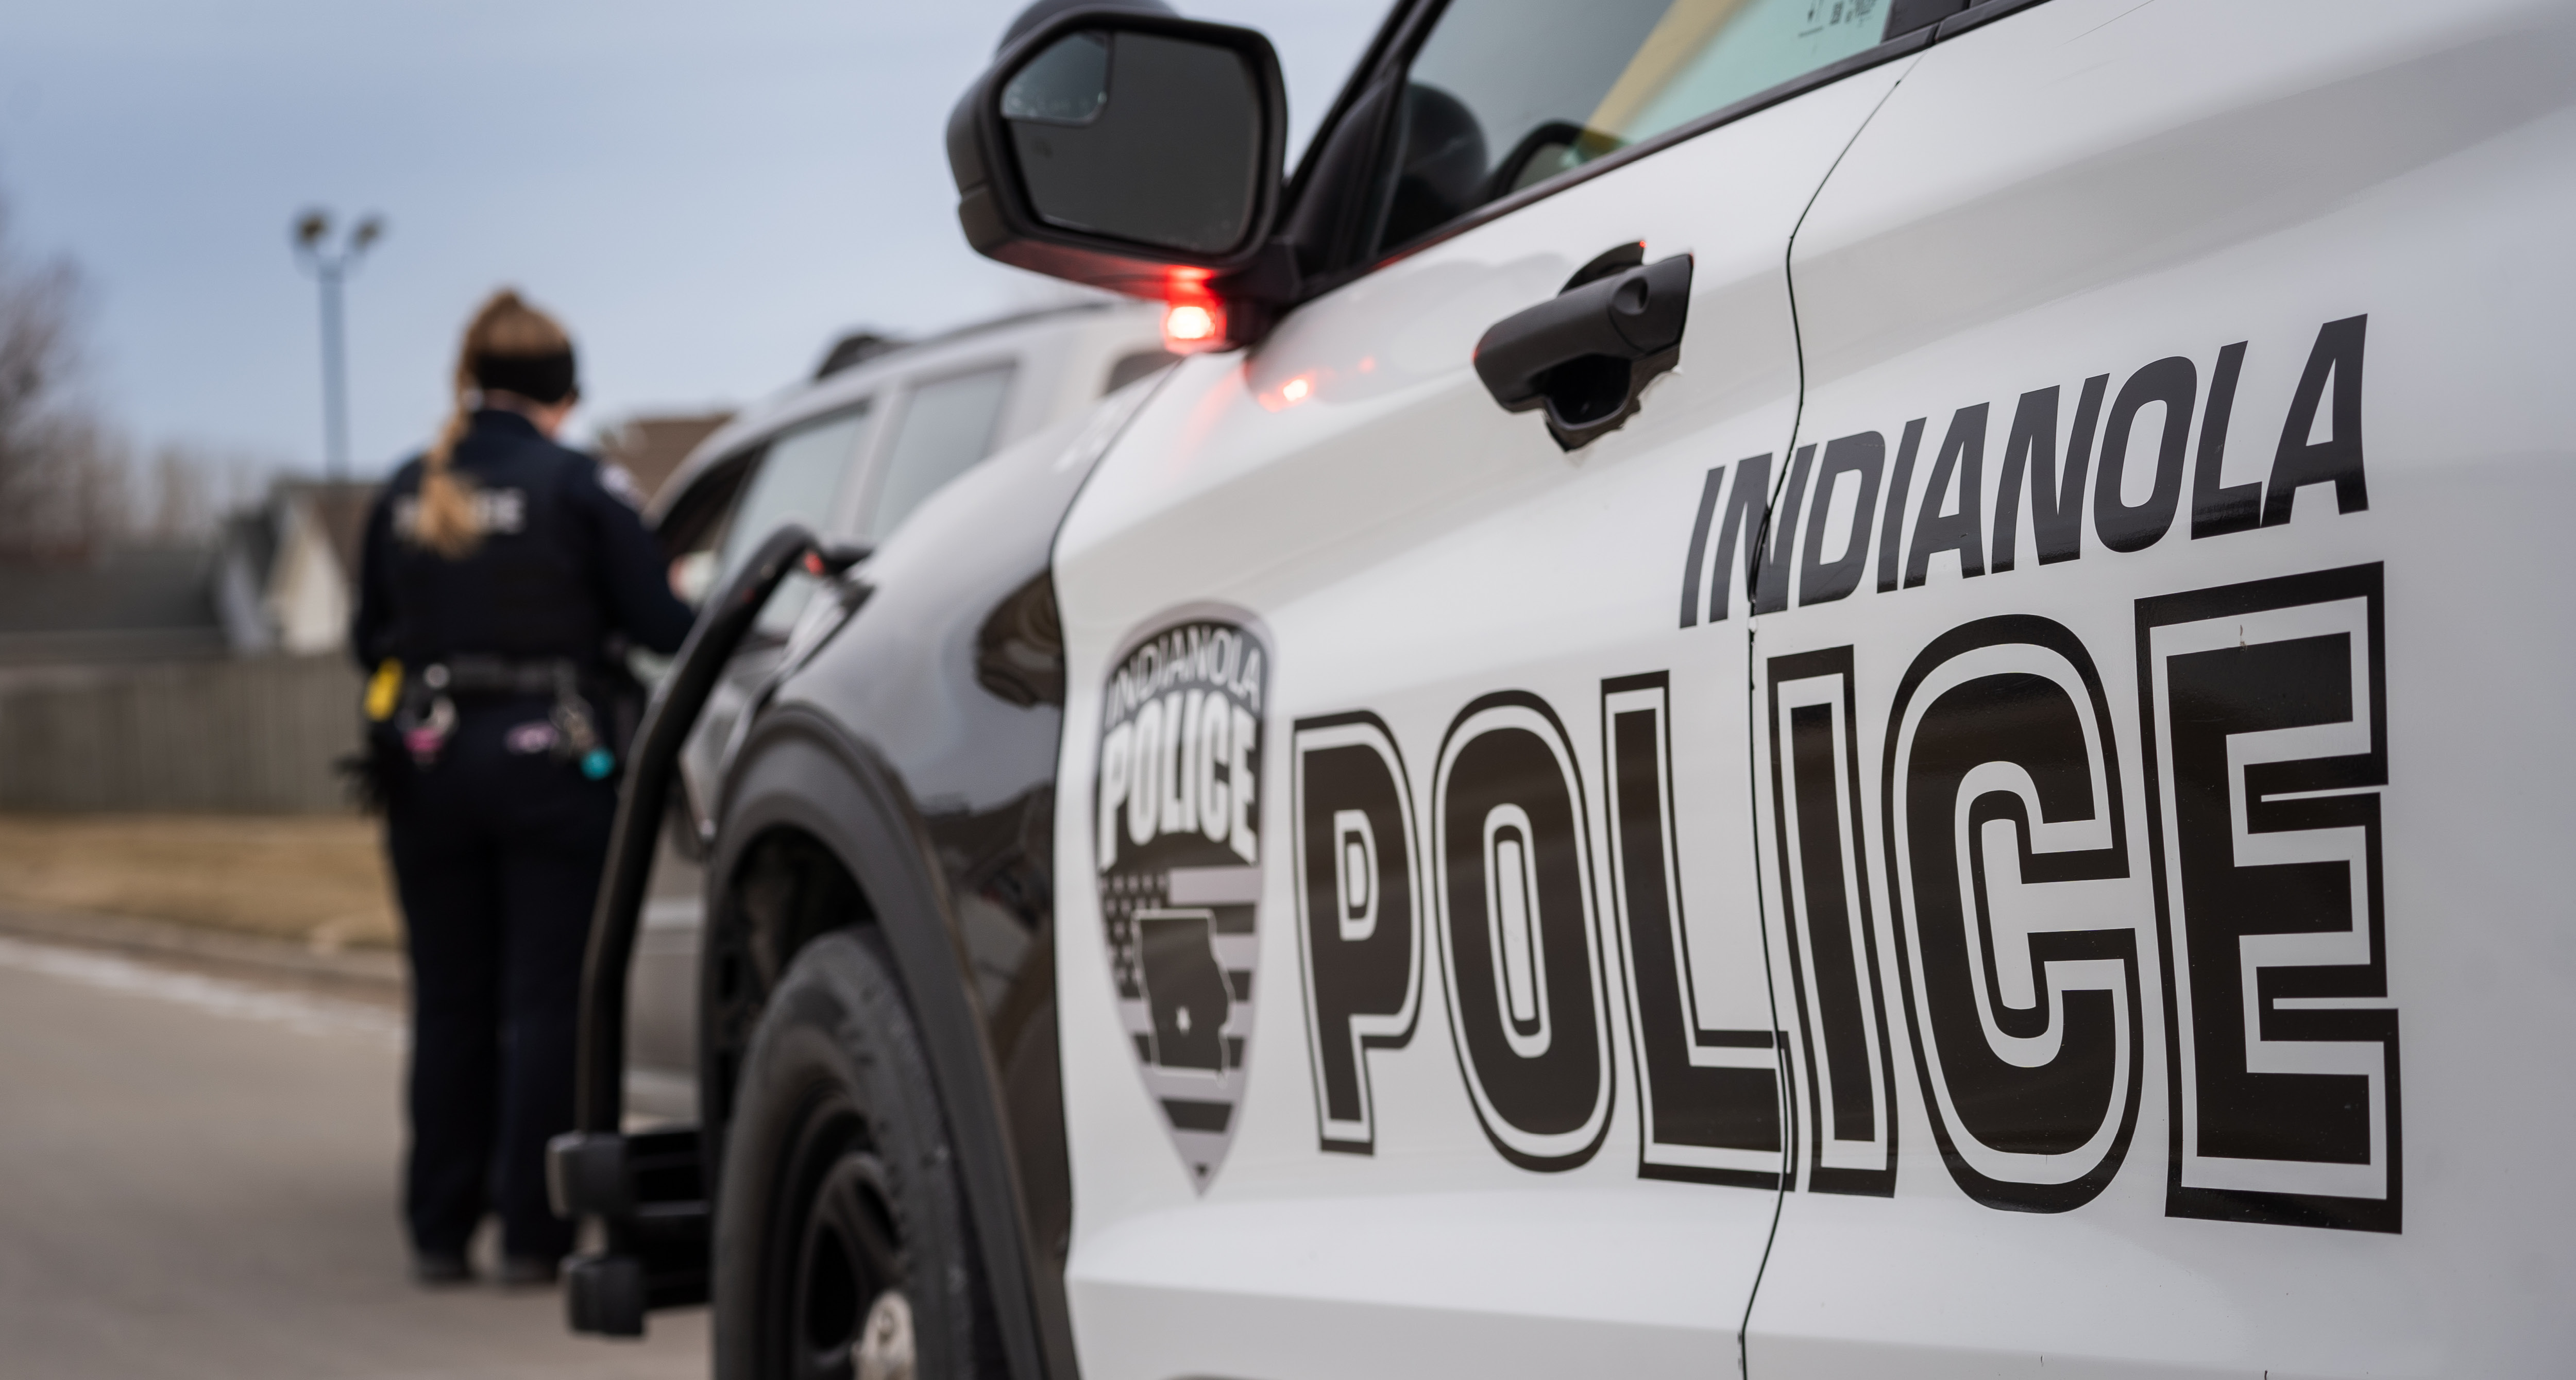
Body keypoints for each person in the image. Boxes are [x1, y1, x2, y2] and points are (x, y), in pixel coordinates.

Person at [351, 289, 694, 1286]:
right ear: (563, 394)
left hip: (429, 769)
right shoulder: (580, 484)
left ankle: (437, 1230)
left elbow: (366, 639)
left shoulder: (406, 490)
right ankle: (534, 1237)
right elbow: (666, 626)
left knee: (451, 1001)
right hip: (552, 767)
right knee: (546, 1002)